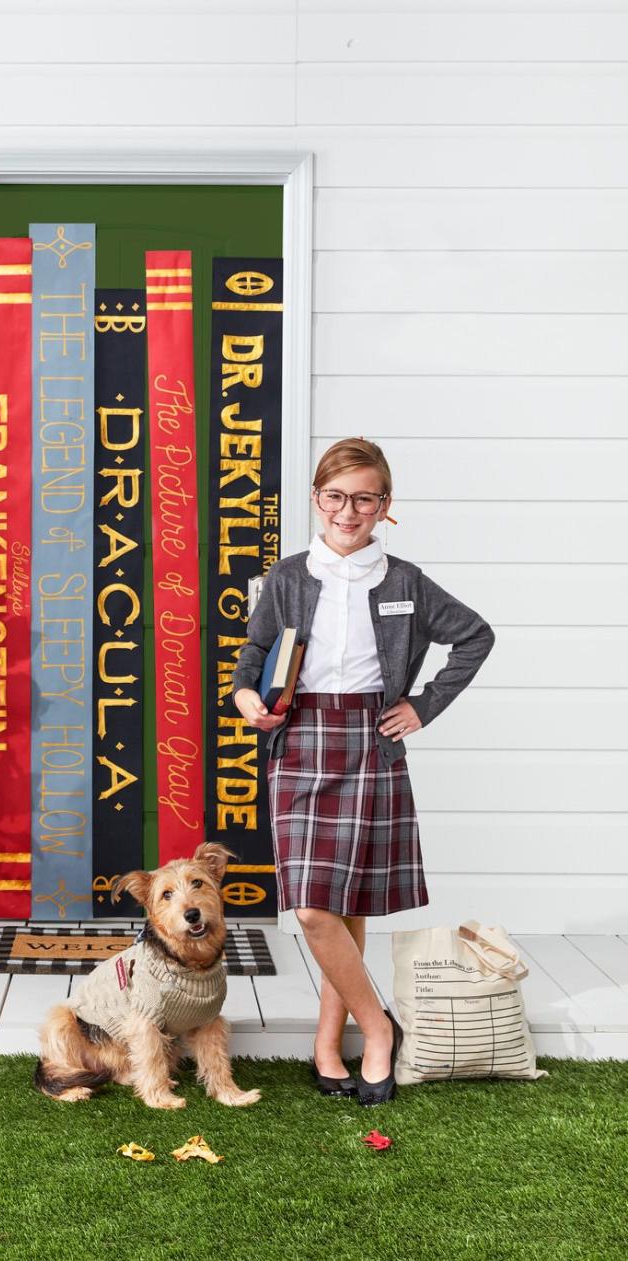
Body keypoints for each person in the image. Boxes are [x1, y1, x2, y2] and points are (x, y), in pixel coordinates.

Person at [231, 437, 495, 1105]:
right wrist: (246, 700)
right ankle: (378, 1028)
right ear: (318, 500)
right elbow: (253, 653)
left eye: (364, 497)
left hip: (371, 741)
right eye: (335, 496)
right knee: (315, 906)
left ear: (385, 504)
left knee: (345, 907)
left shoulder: (404, 580)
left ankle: (328, 1044)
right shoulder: (289, 575)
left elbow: (475, 634)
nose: (348, 510)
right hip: (300, 739)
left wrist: (423, 705)